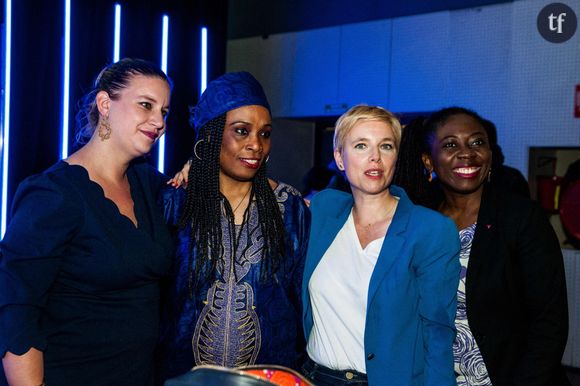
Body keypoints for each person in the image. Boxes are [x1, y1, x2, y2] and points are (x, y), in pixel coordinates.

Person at [0, 58, 174, 386]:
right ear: (106, 104)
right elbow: (17, 311)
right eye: (146, 105)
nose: (158, 121)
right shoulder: (53, 193)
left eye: (164, 111)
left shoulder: (148, 185)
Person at [394, 106, 569, 386]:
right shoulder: (419, 222)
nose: (467, 153)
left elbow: (549, 324)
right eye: (451, 144)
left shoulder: (520, 219)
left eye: (477, 142)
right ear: (428, 161)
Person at [157, 72, 310, 382]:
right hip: (182, 377)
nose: (256, 144)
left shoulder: (290, 207)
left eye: (265, 134)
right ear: (211, 135)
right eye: (242, 131)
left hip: (269, 377)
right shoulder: (176, 202)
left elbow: (302, 300)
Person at [301, 105, 460, 386]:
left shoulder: (430, 230)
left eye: (386, 146)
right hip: (315, 377)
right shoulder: (324, 210)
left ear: (395, 157)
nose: (375, 157)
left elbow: (437, 333)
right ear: (339, 157)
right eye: (361, 145)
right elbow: (266, 199)